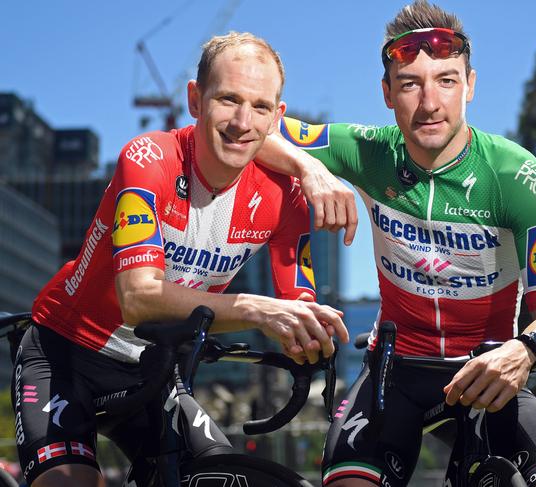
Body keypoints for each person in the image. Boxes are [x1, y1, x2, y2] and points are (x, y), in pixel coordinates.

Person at [256, 2, 536, 486]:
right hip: (396, 373)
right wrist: (311, 168)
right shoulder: (368, 150)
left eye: (447, 81)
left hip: (487, 373)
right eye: (410, 84)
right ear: (387, 93)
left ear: (470, 85)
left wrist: (526, 350)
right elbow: (251, 130)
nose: (430, 102)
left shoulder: (517, 175)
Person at [11, 32, 349, 487]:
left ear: (277, 117)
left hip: (151, 367)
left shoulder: (285, 196)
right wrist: (257, 310)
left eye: (260, 107)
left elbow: (297, 309)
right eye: (228, 99)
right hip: (65, 354)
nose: (242, 121)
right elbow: (138, 298)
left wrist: (312, 335)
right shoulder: (149, 159)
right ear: (195, 99)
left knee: (221, 478)